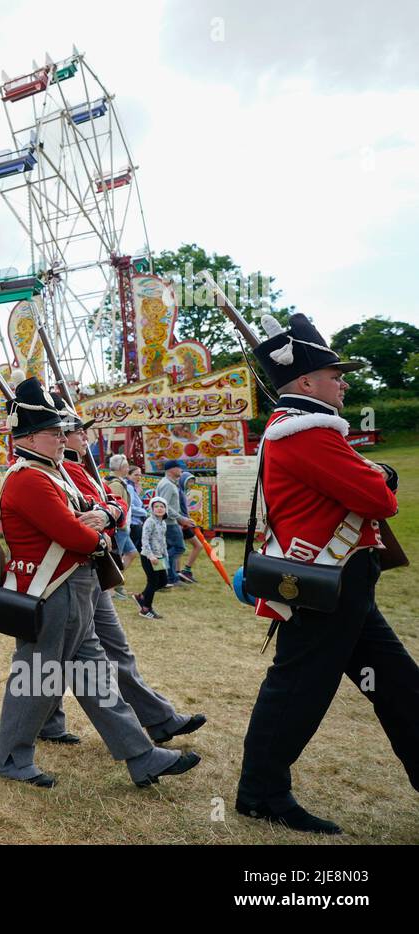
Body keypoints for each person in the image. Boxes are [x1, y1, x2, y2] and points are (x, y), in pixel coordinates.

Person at [236, 313, 417, 835]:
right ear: (307, 382)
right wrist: (381, 475)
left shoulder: (307, 429)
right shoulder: (308, 433)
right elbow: (378, 498)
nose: (344, 382)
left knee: (399, 685)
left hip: (343, 582)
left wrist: (375, 474)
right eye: (335, 374)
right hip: (324, 583)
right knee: (299, 690)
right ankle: (260, 794)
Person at [0, 378, 200, 789]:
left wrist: (99, 523)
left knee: (97, 677)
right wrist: (102, 537)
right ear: (31, 436)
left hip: (76, 588)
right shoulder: (29, 478)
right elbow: (73, 534)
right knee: (36, 678)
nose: (60, 437)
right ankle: (10, 757)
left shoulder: (54, 472)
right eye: (53, 432)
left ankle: (141, 756)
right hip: (53, 590)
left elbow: (98, 509)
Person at [41, 410, 206, 746]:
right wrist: (108, 511)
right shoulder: (65, 470)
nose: (83, 437)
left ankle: (157, 719)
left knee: (111, 652)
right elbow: (92, 513)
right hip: (68, 574)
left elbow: (114, 503)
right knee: (51, 658)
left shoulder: (82, 469)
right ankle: (48, 724)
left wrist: (109, 511)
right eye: (76, 432)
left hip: (92, 571)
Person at [153, 460, 193, 585]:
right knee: (178, 548)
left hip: (168, 521)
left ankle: (167, 576)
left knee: (169, 548)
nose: (181, 470)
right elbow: (164, 506)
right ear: (171, 470)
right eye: (179, 467)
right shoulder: (168, 485)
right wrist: (181, 518)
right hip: (170, 522)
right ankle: (169, 576)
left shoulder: (169, 483)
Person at [106, 454, 139, 594]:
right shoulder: (115, 484)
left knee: (131, 553)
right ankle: (110, 589)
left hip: (123, 526)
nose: (127, 469)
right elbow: (114, 507)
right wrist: (119, 525)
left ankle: (117, 581)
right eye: (125, 466)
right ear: (120, 468)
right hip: (119, 527)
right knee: (115, 558)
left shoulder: (117, 482)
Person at [134, 497, 170, 619]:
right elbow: (145, 540)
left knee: (163, 581)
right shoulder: (150, 522)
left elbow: (163, 542)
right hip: (149, 557)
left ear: (166, 509)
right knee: (153, 581)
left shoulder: (163, 523)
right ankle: (146, 609)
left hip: (160, 557)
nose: (159, 509)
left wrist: (165, 557)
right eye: (156, 507)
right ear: (152, 509)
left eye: (162, 506)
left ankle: (142, 596)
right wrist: (150, 556)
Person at [177, 465, 204, 581]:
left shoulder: (183, 491)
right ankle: (182, 572)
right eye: (189, 482)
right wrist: (185, 521)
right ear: (183, 481)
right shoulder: (179, 492)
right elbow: (178, 510)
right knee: (194, 546)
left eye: (192, 482)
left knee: (179, 548)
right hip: (181, 524)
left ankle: (180, 572)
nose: (191, 485)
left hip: (183, 523)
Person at [125, 464, 148, 555]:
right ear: (128, 475)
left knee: (143, 551)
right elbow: (130, 507)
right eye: (136, 475)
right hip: (134, 524)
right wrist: (145, 512)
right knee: (131, 553)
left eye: (140, 475)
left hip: (137, 523)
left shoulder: (134, 487)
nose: (138, 477)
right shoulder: (129, 487)